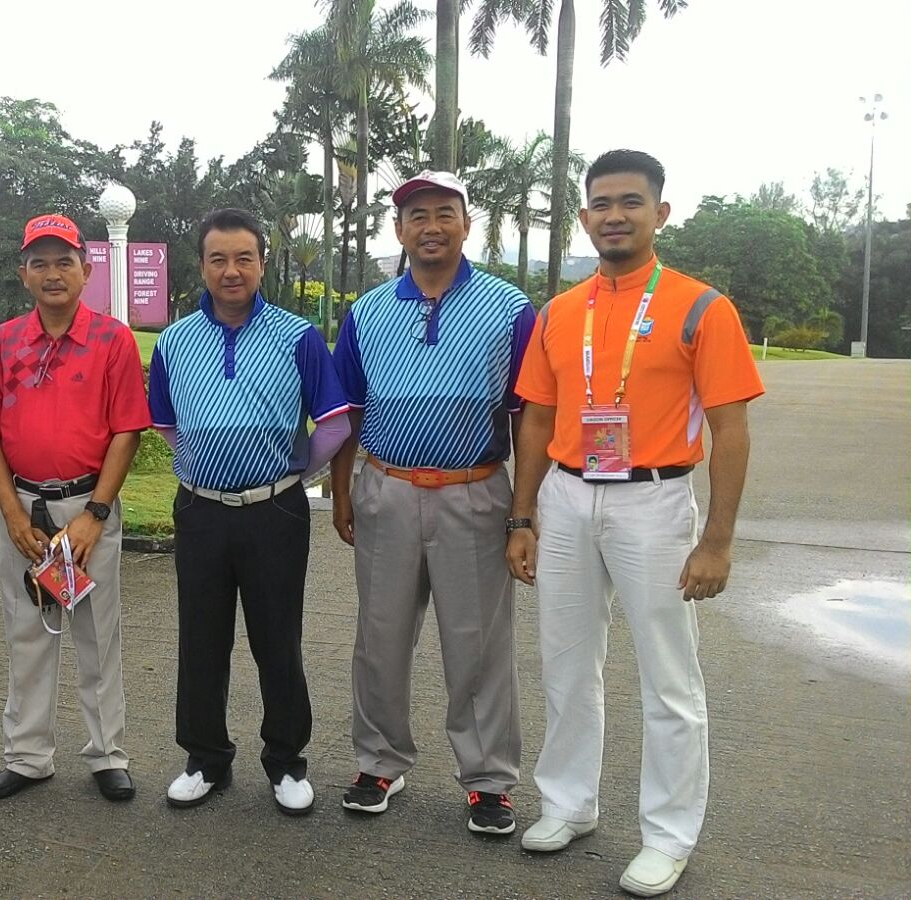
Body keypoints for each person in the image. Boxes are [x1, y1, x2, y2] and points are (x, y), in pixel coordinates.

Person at [506, 149, 764, 897]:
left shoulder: (700, 307)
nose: (614, 216)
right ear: (585, 217)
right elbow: (536, 420)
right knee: (565, 661)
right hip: (566, 497)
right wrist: (522, 516)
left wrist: (716, 542)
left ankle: (668, 836)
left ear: (660, 212)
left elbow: (731, 430)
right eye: (601, 204)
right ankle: (568, 804)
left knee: (668, 676)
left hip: (654, 501)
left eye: (630, 202)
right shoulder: (561, 312)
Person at [330, 170, 534, 833]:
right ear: (399, 230)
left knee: (478, 644)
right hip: (385, 488)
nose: (431, 227)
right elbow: (349, 412)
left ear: (467, 225)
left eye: (445, 213)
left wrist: (523, 513)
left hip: (473, 491)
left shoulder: (509, 309)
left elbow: (529, 415)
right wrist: (343, 492)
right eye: (417, 215)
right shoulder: (366, 312)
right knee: (379, 637)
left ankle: (488, 779)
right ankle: (379, 761)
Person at [147, 208, 352, 816]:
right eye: (218, 259)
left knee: (277, 639)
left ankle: (286, 761)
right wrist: (206, 460)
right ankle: (205, 758)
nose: (231, 270)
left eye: (244, 258)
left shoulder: (297, 336)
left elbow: (334, 423)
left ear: (263, 264)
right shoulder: (175, 341)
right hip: (201, 510)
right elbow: (165, 422)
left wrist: (293, 474)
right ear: (202, 266)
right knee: (201, 639)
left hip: (274, 512)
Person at [0, 214, 151, 803]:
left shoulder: (112, 340)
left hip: (87, 508)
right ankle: (27, 756)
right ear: (23, 273)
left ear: (86, 270)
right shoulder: (3, 343)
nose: (52, 273)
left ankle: (107, 754)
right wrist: (14, 516)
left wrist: (95, 514)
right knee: (27, 633)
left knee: (98, 636)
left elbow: (127, 431)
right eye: (39, 263)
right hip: (25, 509)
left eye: (64, 261)